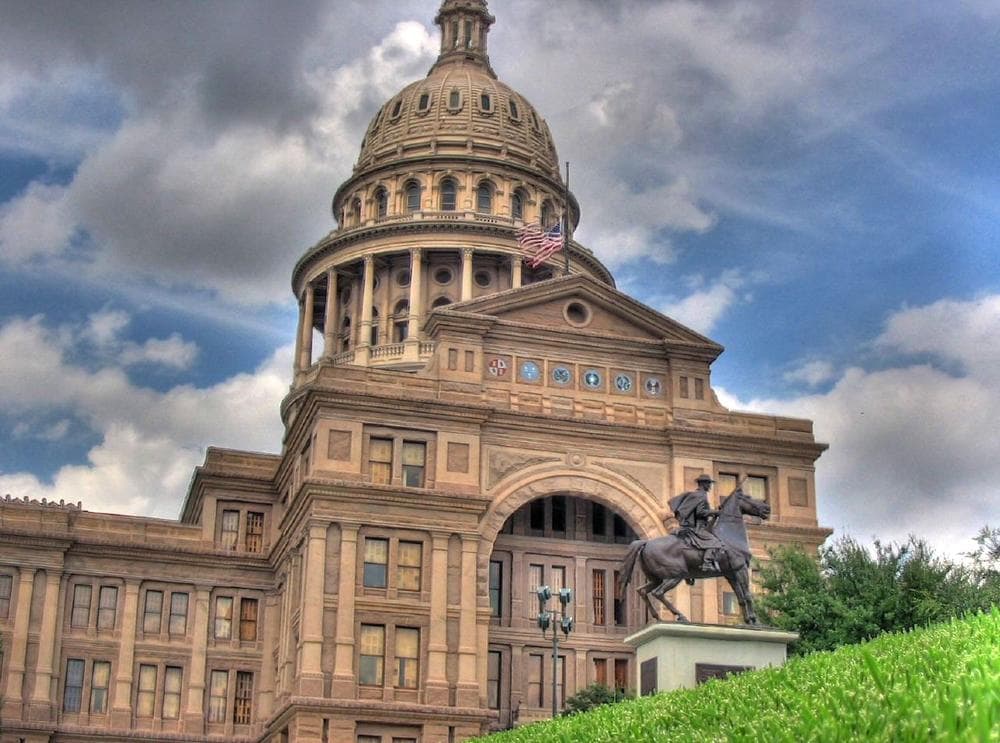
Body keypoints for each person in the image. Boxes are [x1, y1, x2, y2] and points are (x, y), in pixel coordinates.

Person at [667, 473, 725, 574]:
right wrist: (716, 512)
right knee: (715, 542)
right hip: (698, 527)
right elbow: (700, 512)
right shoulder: (701, 496)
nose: (710, 486)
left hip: (699, 525)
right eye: (708, 484)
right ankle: (707, 563)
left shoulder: (698, 495)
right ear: (703, 484)